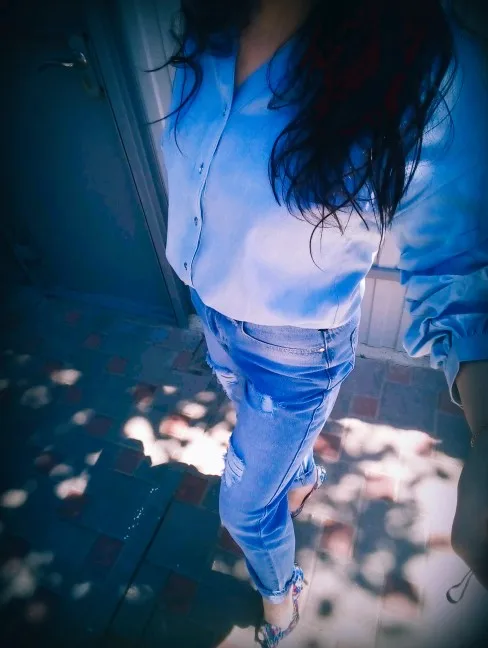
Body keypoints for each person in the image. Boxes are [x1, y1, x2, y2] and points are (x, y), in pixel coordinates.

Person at [158, 1, 488, 645]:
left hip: (294, 350)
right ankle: (302, 476)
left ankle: (282, 601)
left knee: (245, 509)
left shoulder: (422, 56)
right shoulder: (205, 17)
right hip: (215, 314)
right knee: (266, 440)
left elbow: (462, 266)